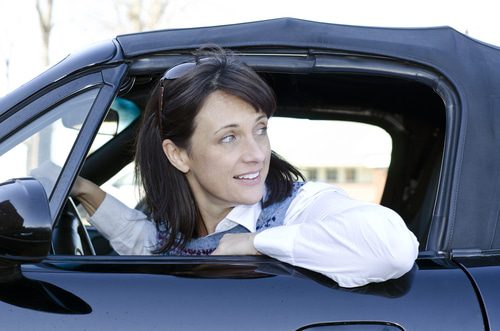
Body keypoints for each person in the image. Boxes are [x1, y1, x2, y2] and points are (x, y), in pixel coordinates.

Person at [72, 47, 419, 288]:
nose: (256, 154)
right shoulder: (176, 222)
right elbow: (149, 247)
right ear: (178, 155)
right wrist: (86, 191)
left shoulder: (297, 206)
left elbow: (391, 247)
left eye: (260, 129)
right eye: (229, 138)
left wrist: (254, 243)